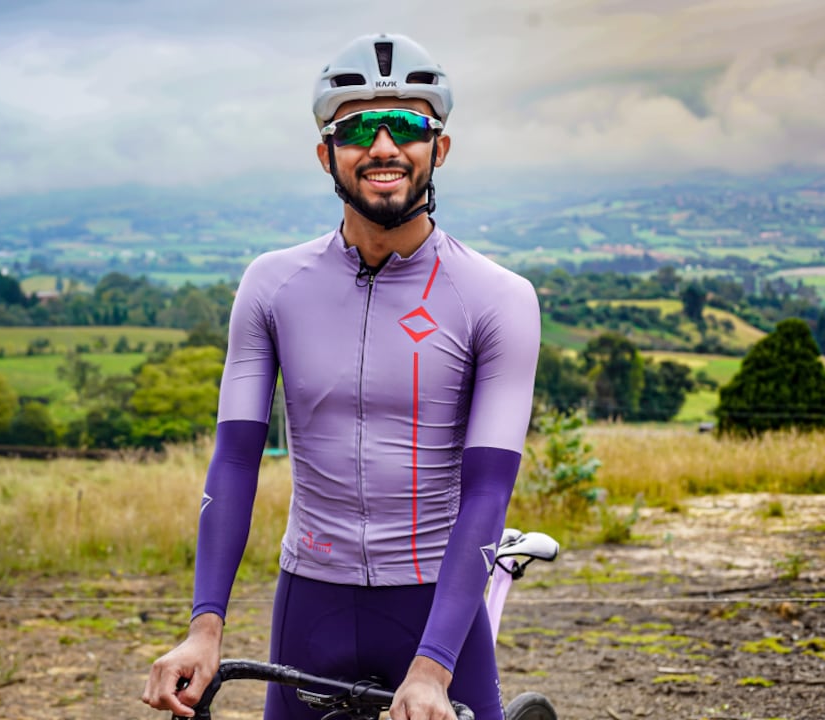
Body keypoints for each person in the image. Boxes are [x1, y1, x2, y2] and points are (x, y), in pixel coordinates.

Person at [141, 32, 540, 720]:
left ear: (438, 149)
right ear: (327, 153)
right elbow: (235, 460)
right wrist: (204, 629)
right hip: (311, 607)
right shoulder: (272, 286)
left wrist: (432, 667)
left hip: (436, 613)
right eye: (356, 127)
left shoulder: (498, 297)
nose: (383, 146)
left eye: (410, 124)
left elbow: (489, 487)